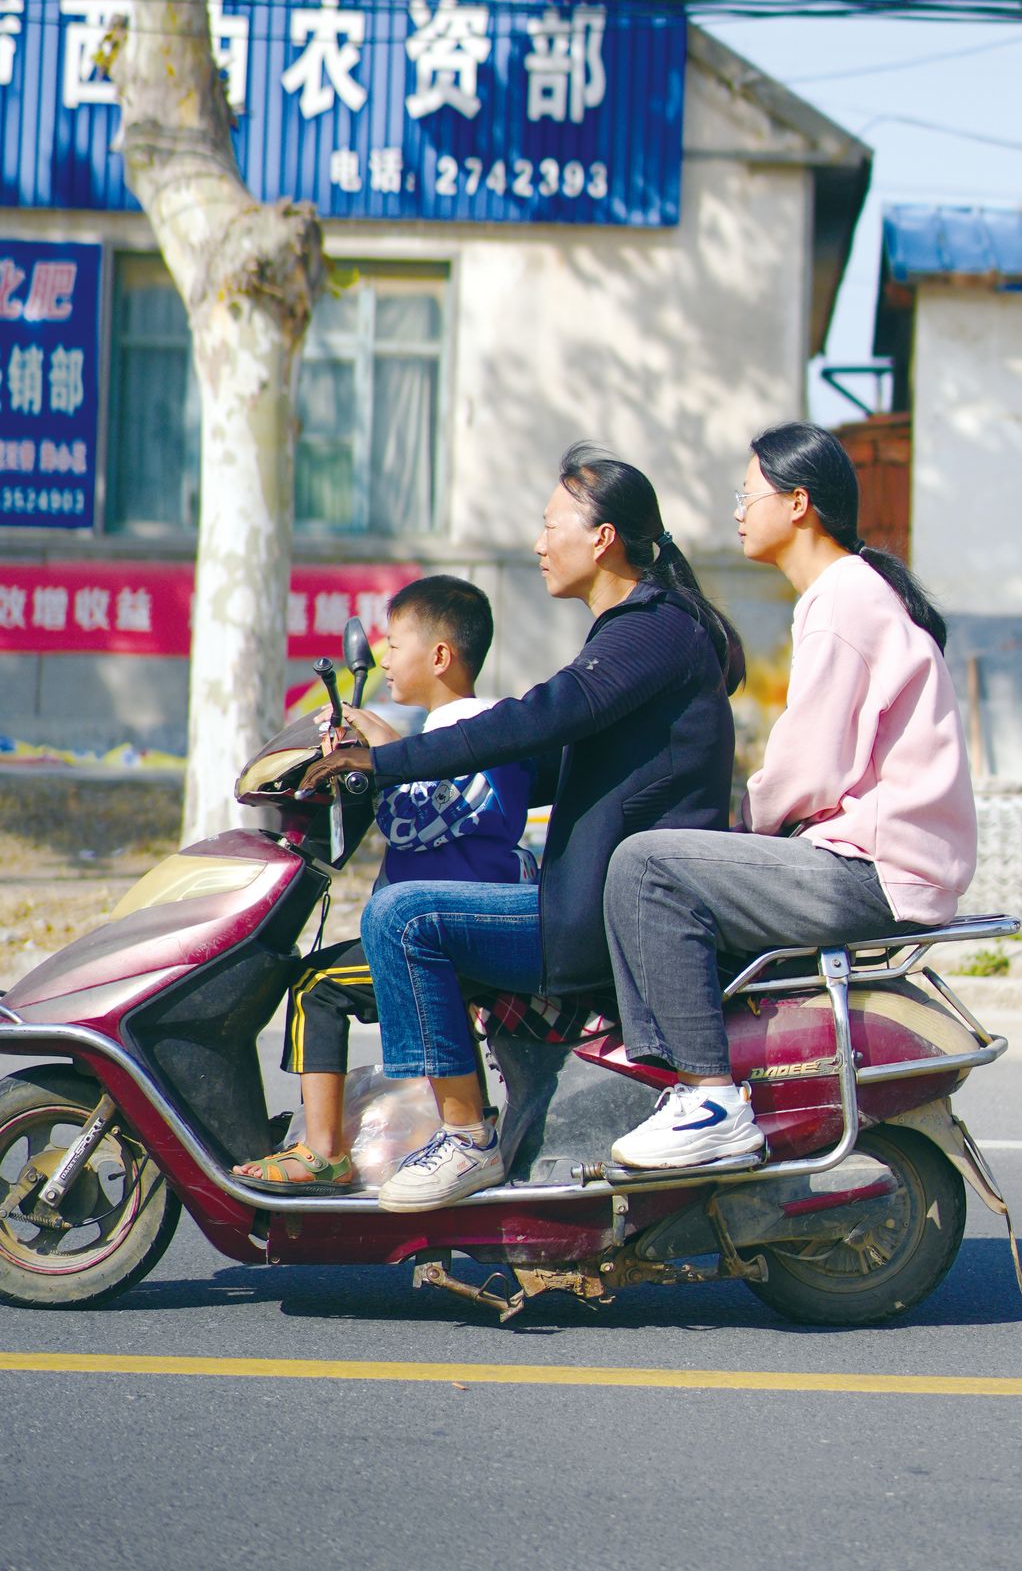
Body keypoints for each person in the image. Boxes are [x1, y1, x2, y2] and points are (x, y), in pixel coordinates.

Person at [298, 444, 743, 1211]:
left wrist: (389, 762)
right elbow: (553, 762)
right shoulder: (638, 633)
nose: (539, 543)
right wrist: (401, 757)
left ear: (602, 538)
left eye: (550, 524)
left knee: (403, 916)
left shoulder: (650, 630)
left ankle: (465, 1137)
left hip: (597, 914)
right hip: (589, 898)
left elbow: (542, 717)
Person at [604, 421, 977, 1175]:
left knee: (646, 865)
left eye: (749, 492)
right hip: (882, 859)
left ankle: (706, 1098)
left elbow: (807, 768)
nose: (739, 508)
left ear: (798, 502)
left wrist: (742, 820)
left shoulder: (840, 600)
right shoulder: (850, 591)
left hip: (871, 869)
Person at [235, 575, 534, 1188]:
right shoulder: (448, 733)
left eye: (395, 642)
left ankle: (323, 1153)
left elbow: (414, 824)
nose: (384, 656)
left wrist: (379, 749)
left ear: (441, 656)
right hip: (442, 928)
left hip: (458, 933)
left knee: (319, 985)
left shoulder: (477, 728)